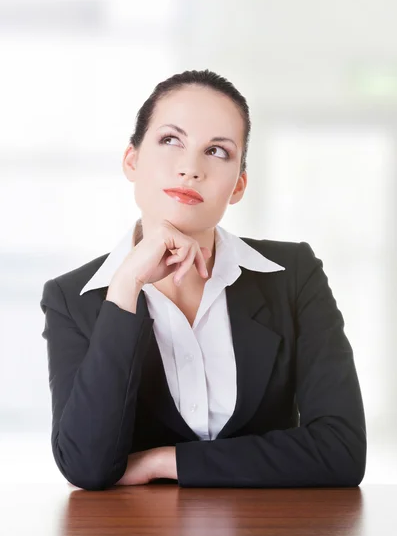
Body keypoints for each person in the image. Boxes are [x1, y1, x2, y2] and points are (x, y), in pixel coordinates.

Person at [39, 69, 367, 491]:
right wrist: (125, 289)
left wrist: (166, 462)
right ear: (132, 161)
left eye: (217, 151)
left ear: (238, 185)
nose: (190, 168)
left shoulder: (293, 275)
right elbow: (86, 466)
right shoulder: (72, 297)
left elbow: (341, 452)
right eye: (170, 140)